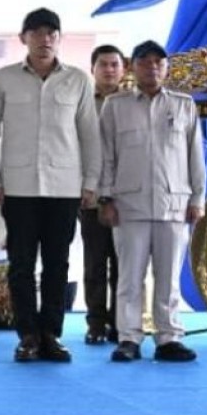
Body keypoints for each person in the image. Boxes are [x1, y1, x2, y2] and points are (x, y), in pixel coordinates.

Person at [0, 8, 100, 362]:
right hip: (17, 186)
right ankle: (27, 335)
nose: (44, 39)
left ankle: (51, 334)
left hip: (64, 187)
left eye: (51, 33)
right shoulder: (3, 78)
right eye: (37, 32)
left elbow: (89, 135)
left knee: (58, 265)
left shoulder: (77, 79)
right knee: (20, 265)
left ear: (58, 39)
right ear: (24, 38)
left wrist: (90, 182)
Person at [100, 40, 204, 363]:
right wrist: (105, 198)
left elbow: (195, 157)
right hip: (128, 205)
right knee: (129, 277)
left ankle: (169, 337)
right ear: (133, 67)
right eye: (145, 62)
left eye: (159, 62)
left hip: (174, 204)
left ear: (166, 68)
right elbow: (105, 157)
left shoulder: (184, 105)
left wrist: (198, 198)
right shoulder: (115, 106)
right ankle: (128, 338)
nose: (153, 68)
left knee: (168, 276)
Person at [80, 44, 126, 345]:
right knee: (95, 262)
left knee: (125, 263)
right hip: (91, 195)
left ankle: (122, 324)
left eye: (114, 64)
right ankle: (96, 323)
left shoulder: (132, 102)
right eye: (103, 65)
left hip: (128, 197)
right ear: (93, 69)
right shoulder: (81, 103)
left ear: (123, 70)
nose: (109, 70)